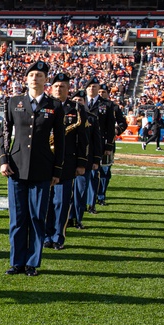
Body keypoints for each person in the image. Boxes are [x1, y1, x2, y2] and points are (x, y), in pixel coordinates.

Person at [0, 60, 64, 276]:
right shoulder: (13, 101)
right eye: (32, 74)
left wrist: (57, 170)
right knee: (17, 218)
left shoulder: (55, 106)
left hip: (42, 167)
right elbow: (5, 132)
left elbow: (61, 141)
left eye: (40, 75)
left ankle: (32, 262)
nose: (35, 78)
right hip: (16, 167)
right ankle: (17, 261)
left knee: (37, 217)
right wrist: (3, 160)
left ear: (46, 80)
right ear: (26, 79)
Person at [45, 73, 89, 250]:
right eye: (56, 86)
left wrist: (81, 163)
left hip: (67, 162)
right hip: (46, 161)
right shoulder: (44, 105)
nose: (58, 89)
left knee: (62, 203)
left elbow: (84, 139)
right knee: (46, 202)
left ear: (68, 88)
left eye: (62, 86)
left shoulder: (77, 109)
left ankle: (58, 237)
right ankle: (46, 236)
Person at [71, 90, 102, 229]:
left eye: (80, 100)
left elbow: (96, 141)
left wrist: (96, 160)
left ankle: (78, 218)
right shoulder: (65, 116)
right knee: (66, 192)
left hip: (86, 160)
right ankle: (68, 217)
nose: (77, 103)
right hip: (67, 159)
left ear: (85, 102)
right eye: (75, 100)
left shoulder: (91, 118)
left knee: (81, 191)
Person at [84, 77, 115, 211]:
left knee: (94, 174)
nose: (92, 89)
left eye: (94, 87)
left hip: (98, 144)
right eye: (89, 87)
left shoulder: (107, 105)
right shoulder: (78, 101)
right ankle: (80, 203)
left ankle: (91, 204)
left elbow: (110, 128)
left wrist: (108, 146)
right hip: (81, 143)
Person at [97, 84, 127, 205]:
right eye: (99, 92)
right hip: (92, 142)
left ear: (108, 94)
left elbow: (122, 123)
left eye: (103, 92)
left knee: (104, 171)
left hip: (107, 142)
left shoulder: (113, 107)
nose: (100, 94)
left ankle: (101, 196)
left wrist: (115, 131)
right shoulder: (90, 104)